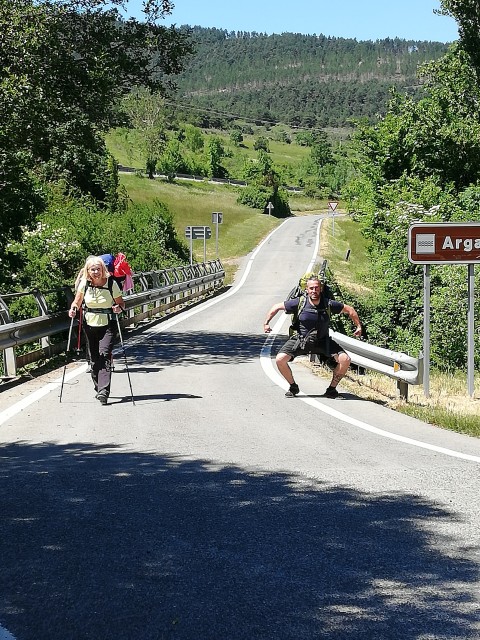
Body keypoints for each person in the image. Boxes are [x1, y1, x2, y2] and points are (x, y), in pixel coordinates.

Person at [263, 276, 362, 398]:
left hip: (323, 341)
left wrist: (358, 326)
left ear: (320, 289)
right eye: (311, 288)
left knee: (345, 360)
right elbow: (276, 307)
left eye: (316, 288)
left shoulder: (328, 304)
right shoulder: (299, 302)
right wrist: (267, 322)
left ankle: (331, 389)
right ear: (306, 290)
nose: (314, 291)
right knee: (280, 359)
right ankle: (293, 386)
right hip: (301, 340)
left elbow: (349, 310)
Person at [68, 256, 125, 405]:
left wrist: (117, 308)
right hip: (89, 324)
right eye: (92, 269)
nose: (95, 272)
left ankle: (103, 391)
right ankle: (98, 387)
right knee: (94, 358)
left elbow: (121, 303)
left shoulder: (111, 283)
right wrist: (73, 308)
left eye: (98, 269)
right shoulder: (84, 284)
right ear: (87, 271)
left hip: (107, 325)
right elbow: (77, 301)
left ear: (103, 270)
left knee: (104, 355)